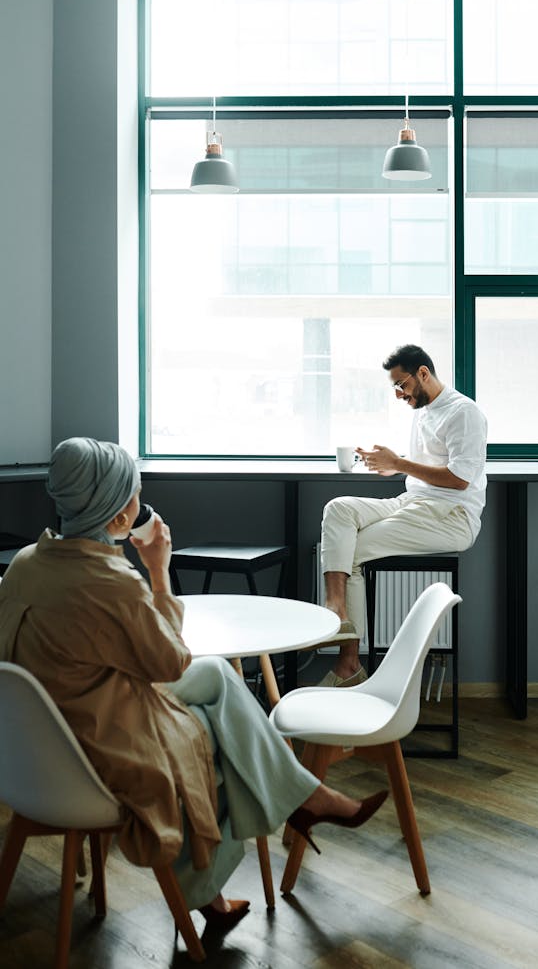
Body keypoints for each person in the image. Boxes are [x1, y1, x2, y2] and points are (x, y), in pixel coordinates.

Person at [0, 437, 387, 931]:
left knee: (216, 675)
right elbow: (167, 660)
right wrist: (159, 574)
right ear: (118, 515)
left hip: (39, 738)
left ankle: (303, 801)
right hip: (91, 747)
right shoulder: (110, 583)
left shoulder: (28, 563)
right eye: (136, 493)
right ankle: (235, 868)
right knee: (218, 734)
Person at [320, 343, 487, 687]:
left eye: (402, 385)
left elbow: (459, 479)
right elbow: (424, 473)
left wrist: (398, 463)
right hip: (414, 503)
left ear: (423, 373)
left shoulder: (464, 413)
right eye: (394, 387)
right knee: (338, 508)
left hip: (451, 516)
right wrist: (389, 467)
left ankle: (347, 664)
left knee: (351, 551)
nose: (398, 394)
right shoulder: (424, 412)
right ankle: (335, 606)